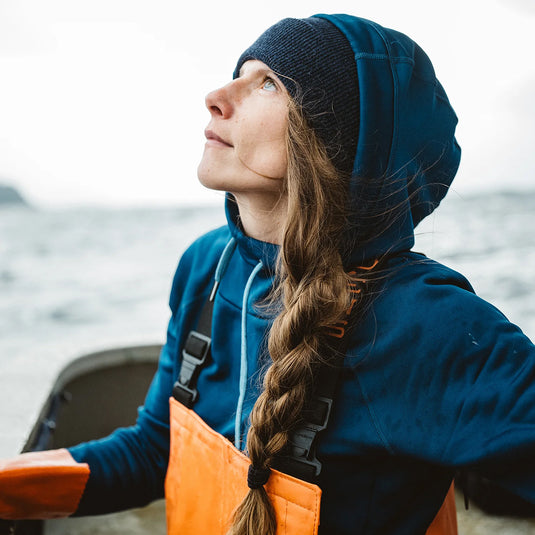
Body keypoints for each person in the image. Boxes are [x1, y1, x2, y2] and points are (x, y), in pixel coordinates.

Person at [1, 12, 535, 535]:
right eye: (240, 72)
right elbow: (153, 450)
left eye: (268, 83)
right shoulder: (207, 268)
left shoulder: (421, 323)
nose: (216, 95)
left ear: (336, 143)